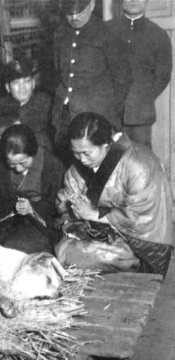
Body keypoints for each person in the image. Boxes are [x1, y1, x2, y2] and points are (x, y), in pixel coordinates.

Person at [56, 112, 173, 277]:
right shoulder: (82, 165)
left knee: (111, 257)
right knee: (64, 249)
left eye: (86, 153)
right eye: (76, 153)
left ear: (106, 144)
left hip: (141, 245)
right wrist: (72, 207)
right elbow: (66, 199)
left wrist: (94, 214)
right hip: (103, 234)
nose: (81, 159)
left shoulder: (139, 164)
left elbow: (140, 218)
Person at [52, 0, 133, 163]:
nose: (74, 17)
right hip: (65, 116)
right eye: (69, 12)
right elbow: (56, 70)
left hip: (97, 118)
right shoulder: (60, 33)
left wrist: (107, 112)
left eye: (79, 11)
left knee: (99, 168)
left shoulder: (108, 33)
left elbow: (123, 79)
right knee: (69, 163)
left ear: (92, 5)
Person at [0, 124, 65, 254]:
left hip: (41, 225)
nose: (18, 169)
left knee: (20, 248)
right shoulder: (0, 168)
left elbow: (58, 207)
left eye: (23, 163)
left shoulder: (53, 166)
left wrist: (32, 208)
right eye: (11, 163)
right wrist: (13, 208)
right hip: (9, 222)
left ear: (33, 153)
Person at [107, 0, 172, 149]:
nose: (133, 0)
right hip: (109, 114)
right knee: (109, 163)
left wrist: (140, 98)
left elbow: (162, 76)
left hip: (140, 118)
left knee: (141, 163)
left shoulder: (158, 35)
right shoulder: (106, 30)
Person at [0, 55, 54, 151]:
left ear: (33, 83)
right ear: (7, 87)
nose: (22, 87)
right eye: (16, 83)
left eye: (26, 81)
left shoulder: (46, 103)